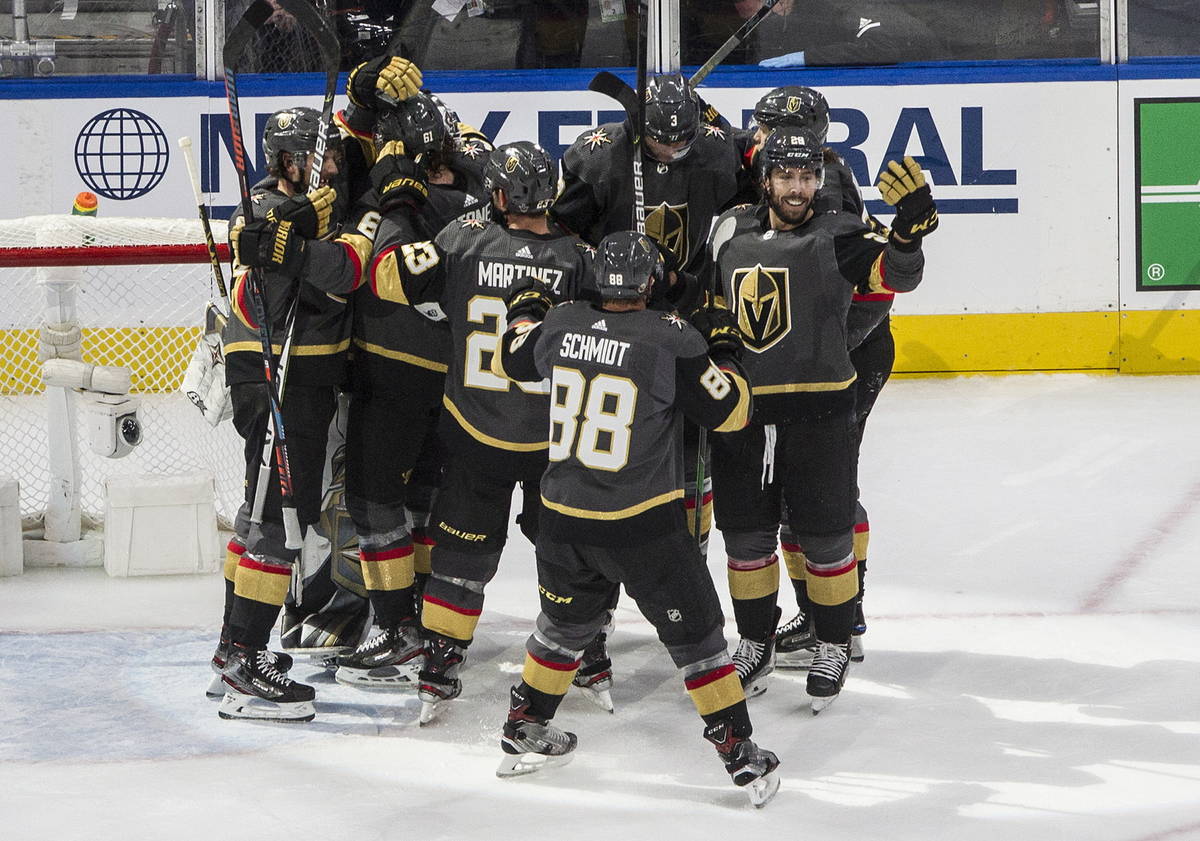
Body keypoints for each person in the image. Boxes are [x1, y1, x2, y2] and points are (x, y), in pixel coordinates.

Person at [489, 230, 780, 807]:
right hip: (641, 524)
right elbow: (728, 413)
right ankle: (738, 752)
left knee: (565, 627)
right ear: (650, 284)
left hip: (563, 520)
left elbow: (514, 358)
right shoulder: (671, 338)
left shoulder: (563, 320)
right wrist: (725, 353)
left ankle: (524, 723)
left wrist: (526, 307)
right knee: (698, 639)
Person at [356, 141, 599, 720]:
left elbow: (388, 280)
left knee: (461, 558)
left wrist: (395, 215)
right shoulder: (577, 258)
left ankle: (440, 660)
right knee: (568, 553)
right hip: (553, 440)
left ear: (497, 194)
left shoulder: (463, 239)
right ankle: (587, 650)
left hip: (473, 429)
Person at [707, 126, 936, 713]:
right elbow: (708, 304)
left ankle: (832, 642)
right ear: (766, 180)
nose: (798, 188)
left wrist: (906, 236)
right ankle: (755, 640)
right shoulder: (729, 230)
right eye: (787, 176)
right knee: (747, 536)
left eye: (807, 177)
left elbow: (894, 278)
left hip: (820, 411)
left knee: (825, 534)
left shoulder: (839, 232)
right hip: (747, 415)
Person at [213, 106, 380, 721]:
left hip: (306, 376)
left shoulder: (352, 211)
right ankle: (243, 659)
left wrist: (295, 246)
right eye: (320, 156)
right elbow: (247, 238)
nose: (331, 166)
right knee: (278, 518)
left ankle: (231, 650)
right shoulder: (260, 204)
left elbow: (348, 270)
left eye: (334, 156)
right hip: (269, 371)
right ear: (287, 160)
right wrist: (291, 225)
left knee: (262, 507)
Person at [734, 86, 893, 671]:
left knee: (829, 489)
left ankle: (845, 622)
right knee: (803, 497)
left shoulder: (827, 195)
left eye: (766, 128)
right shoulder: (792, 172)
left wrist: (821, 347)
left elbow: (877, 291)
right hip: (819, 359)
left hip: (849, 354)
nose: (756, 138)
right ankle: (829, 615)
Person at [756, 0, 944, 67]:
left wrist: (808, 57)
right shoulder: (808, 19)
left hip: (934, 75)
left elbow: (881, 49)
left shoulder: (845, 10)